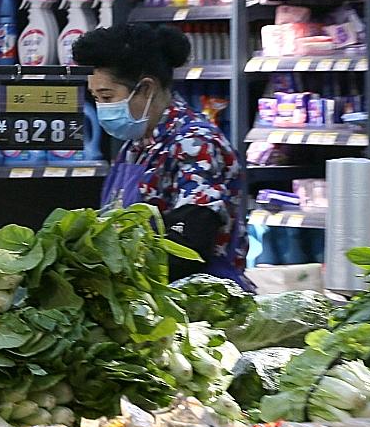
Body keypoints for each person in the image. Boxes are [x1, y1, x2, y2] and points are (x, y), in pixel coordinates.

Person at [72, 23, 250, 286]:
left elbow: (191, 243)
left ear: (146, 89)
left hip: (197, 301)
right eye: (96, 97)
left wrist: (109, 269)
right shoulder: (137, 145)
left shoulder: (195, 144)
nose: (101, 108)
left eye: (107, 96)